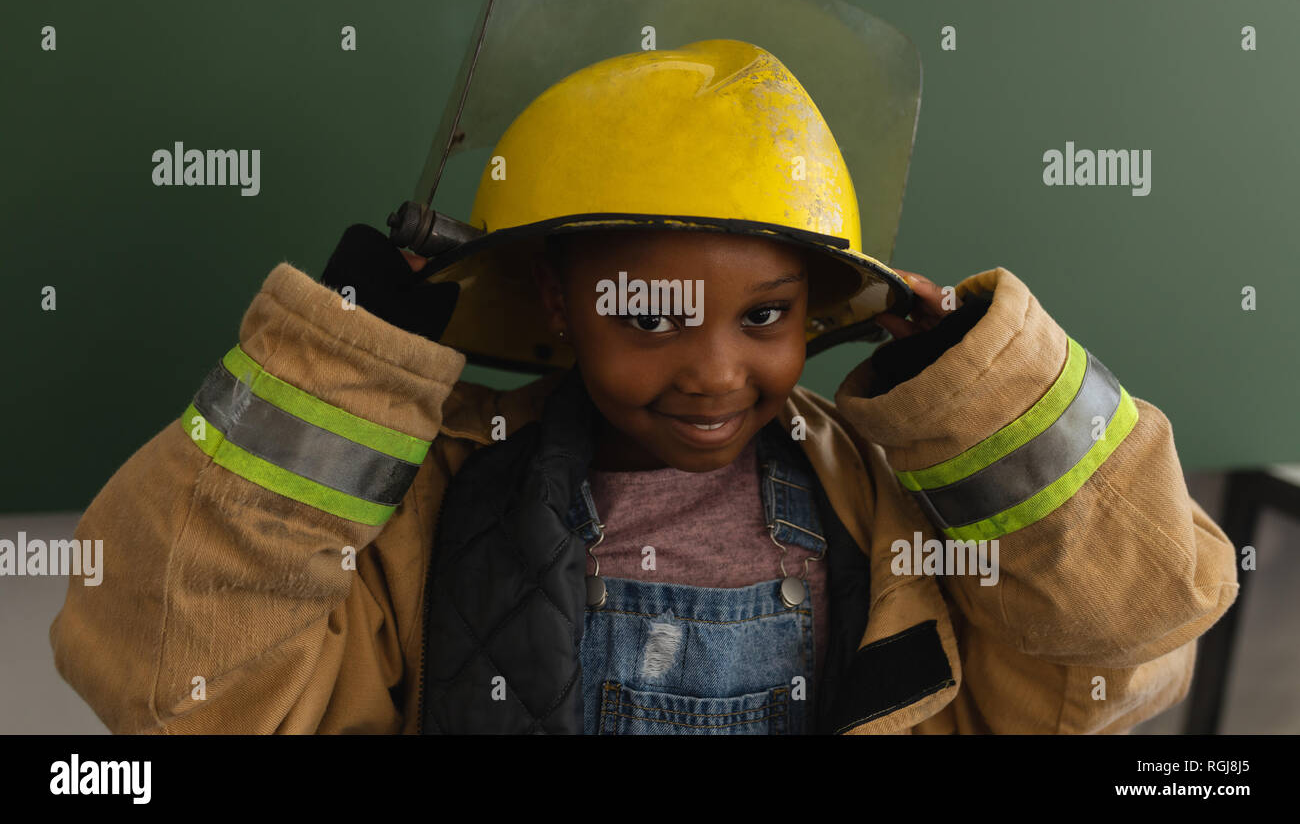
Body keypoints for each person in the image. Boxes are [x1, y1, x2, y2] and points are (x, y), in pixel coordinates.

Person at [50, 40, 1239, 734]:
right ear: (559, 306)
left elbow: (1115, 663)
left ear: (818, 310)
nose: (717, 368)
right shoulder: (432, 499)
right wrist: (343, 356)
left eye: (766, 314)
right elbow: (175, 686)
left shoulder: (885, 505)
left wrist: (987, 395)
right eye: (649, 313)